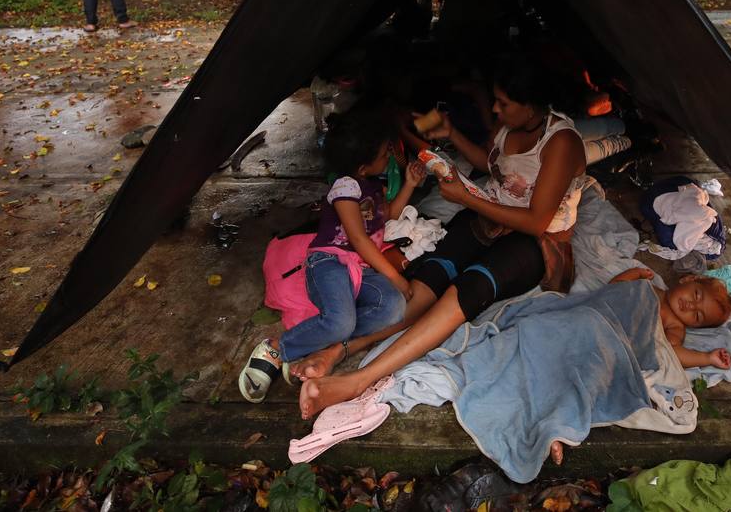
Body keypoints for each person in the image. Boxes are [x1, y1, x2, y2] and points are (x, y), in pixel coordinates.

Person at [296, 55, 587, 419]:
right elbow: (491, 165)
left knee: (466, 289)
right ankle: (342, 349)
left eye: (504, 103)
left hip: (533, 240)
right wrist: (451, 136)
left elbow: (537, 222)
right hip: (489, 213)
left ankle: (360, 379)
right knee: (431, 273)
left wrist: (465, 197)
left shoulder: (560, 143)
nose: (494, 108)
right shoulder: (510, 126)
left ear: (530, 106)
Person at [239, 107, 426, 402]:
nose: (389, 158)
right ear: (363, 167)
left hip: (358, 270)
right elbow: (359, 239)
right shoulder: (345, 187)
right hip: (329, 262)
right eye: (383, 155)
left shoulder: (373, 186)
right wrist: (395, 277)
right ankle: (278, 347)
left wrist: (410, 185)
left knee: (393, 308)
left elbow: (387, 215)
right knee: (342, 322)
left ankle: (315, 343)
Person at [608, 267, 731, 370]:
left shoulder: (675, 326)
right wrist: (635, 273)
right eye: (696, 295)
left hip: (616, 340)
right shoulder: (649, 287)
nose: (691, 306)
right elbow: (614, 288)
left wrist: (707, 358)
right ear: (688, 279)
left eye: (697, 315)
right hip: (604, 314)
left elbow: (672, 353)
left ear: (694, 326)